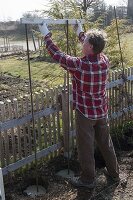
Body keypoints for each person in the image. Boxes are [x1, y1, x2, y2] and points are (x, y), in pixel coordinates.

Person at [38, 21, 120, 189]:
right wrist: (80, 32)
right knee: (106, 143)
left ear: (89, 46)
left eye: (85, 41)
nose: (83, 42)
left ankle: (87, 180)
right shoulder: (104, 60)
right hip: (101, 112)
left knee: (85, 148)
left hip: (85, 114)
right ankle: (114, 173)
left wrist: (47, 36)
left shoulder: (79, 65)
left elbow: (58, 55)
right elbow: (93, 44)